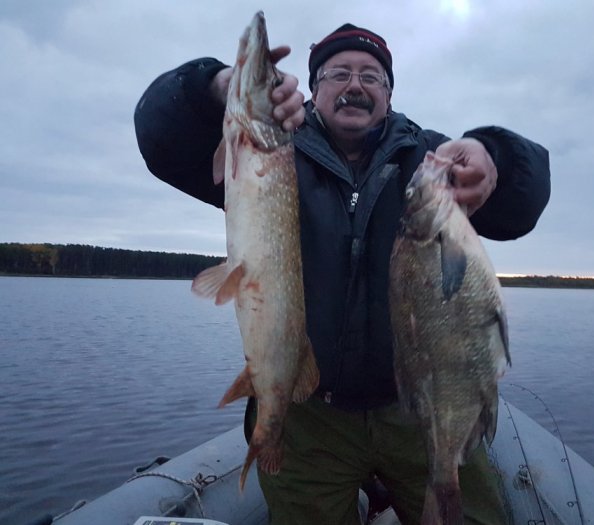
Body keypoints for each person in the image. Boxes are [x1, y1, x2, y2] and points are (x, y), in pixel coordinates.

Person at [134, 22, 550, 525]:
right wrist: (217, 88)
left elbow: (520, 209)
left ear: (390, 94)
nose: (355, 85)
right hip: (312, 414)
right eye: (339, 73)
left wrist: (494, 155)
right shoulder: (264, 152)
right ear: (314, 88)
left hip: (417, 408)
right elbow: (159, 138)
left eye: (372, 76)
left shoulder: (429, 163)